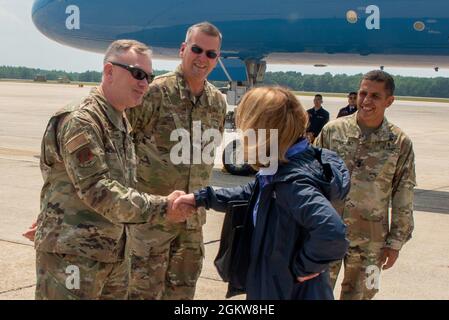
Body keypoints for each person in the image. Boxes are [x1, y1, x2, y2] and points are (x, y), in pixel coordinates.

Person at [28, 40, 193, 300]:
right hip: (74, 255)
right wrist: (164, 207)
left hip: (113, 253)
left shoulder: (119, 120)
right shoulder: (82, 121)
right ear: (109, 71)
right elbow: (98, 190)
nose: (144, 83)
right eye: (137, 74)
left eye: (148, 77)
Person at [174, 87, 350, 300]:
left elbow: (332, 232)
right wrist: (202, 198)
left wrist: (302, 269)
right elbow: (253, 194)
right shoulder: (285, 164)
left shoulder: (292, 182)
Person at [125, 22, 227, 300]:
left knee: (183, 297)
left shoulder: (217, 102)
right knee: (142, 294)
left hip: (192, 225)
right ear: (183, 49)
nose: (202, 58)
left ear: (217, 59)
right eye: (196, 49)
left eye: (210, 54)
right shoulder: (155, 93)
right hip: (151, 223)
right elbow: (120, 144)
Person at [314, 70, 416, 300]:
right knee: (313, 293)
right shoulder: (333, 130)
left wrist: (396, 241)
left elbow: (404, 194)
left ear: (389, 101)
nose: (366, 101)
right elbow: (311, 177)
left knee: (362, 295)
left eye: (375, 96)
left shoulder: (399, 143)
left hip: (372, 242)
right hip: (325, 232)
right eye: (363, 93)